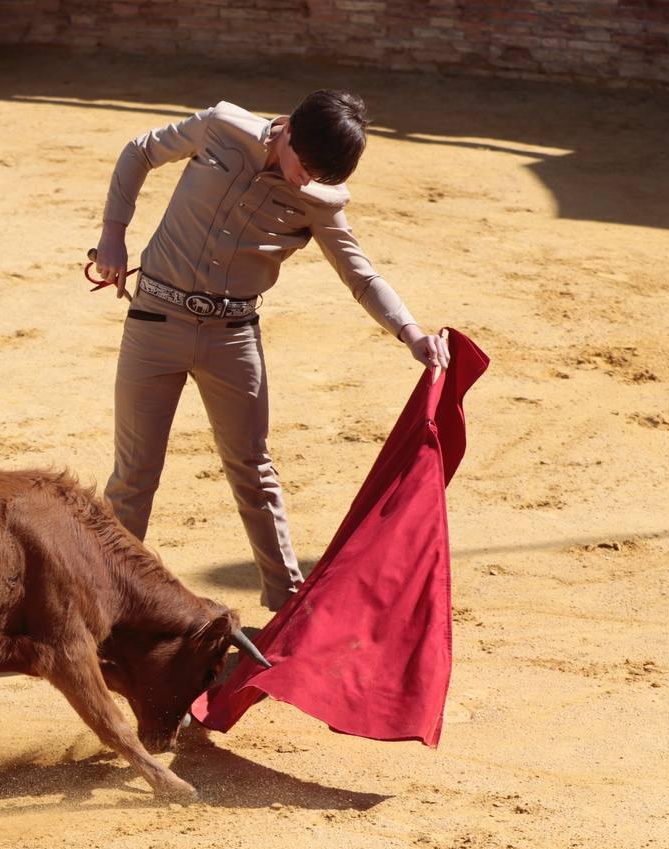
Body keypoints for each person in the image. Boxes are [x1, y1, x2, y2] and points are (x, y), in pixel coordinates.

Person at [92, 90, 449, 612]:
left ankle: (286, 601)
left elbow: (360, 273)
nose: (307, 182)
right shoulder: (222, 126)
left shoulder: (322, 199)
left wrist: (411, 332)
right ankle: (101, 603)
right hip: (155, 323)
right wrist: (113, 234)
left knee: (253, 468)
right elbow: (140, 150)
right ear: (288, 134)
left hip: (232, 338)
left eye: (323, 177)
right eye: (306, 167)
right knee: (134, 474)